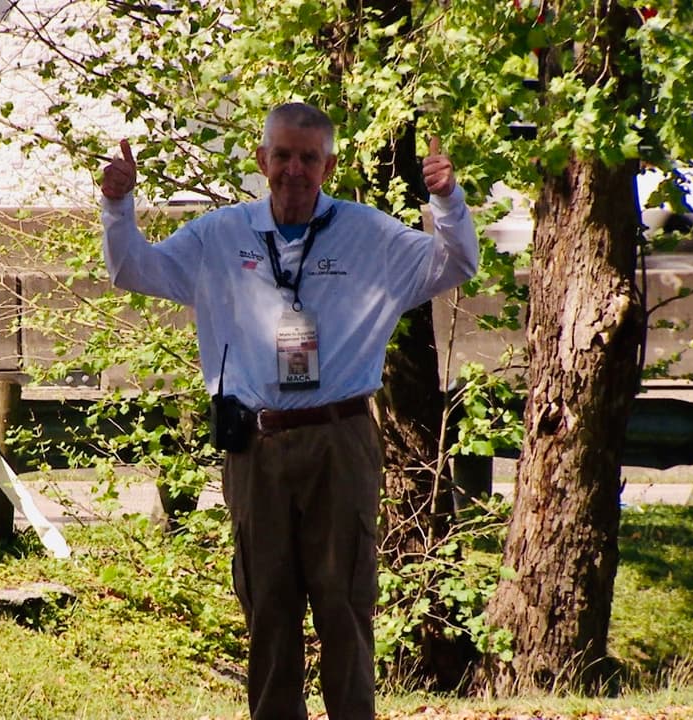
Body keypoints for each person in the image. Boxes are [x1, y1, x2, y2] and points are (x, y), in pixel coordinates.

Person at [98, 102, 477, 720]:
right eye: (283, 156)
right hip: (257, 443)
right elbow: (132, 268)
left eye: (308, 158)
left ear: (328, 164)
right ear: (262, 161)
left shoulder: (368, 234)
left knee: (345, 605)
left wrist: (448, 202)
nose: (295, 170)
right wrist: (119, 208)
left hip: (340, 439)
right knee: (268, 606)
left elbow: (456, 262)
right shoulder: (220, 235)